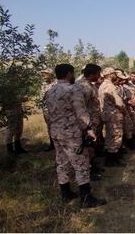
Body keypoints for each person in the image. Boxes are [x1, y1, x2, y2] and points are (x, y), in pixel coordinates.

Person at [45, 63, 106, 208]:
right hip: (71, 133)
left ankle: (65, 193)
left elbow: (48, 113)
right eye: (72, 73)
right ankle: (86, 198)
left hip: (55, 132)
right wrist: (90, 129)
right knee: (81, 164)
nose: (73, 76)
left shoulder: (50, 91)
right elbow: (81, 112)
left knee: (62, 162)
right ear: (68, 74)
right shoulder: (72, 90)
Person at [73, 64, 103, 180]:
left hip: (93, 122)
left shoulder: (89, 85)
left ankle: (92, 167)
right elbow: (80, 108)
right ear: (92, 74)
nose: (99, 76)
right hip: (87, 124)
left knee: (92, 147)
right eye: (98, 74)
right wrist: (87, 126)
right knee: (87, 148)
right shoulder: (83, 87)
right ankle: (88, 172)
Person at [98, 67, 127, 166]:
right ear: (110, 74)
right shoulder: (111, 86)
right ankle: (113, 160)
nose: (115, 75)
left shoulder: (102, 85)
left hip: (106, 114)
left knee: (109, 137)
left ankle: (109, 159)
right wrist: (124, 111)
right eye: (114, 73)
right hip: (114, 115)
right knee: (116, 136)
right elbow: (119, 103)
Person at [38, 68, 57, 152]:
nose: (44, 76)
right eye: (43, 74)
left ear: (51, 74)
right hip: (47, 110)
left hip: (57, 109)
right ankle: (52, 144)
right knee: (49, 127)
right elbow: (41, 98)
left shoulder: (57, 83)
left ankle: (59, 143)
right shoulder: (43, 85)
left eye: (46, 74)